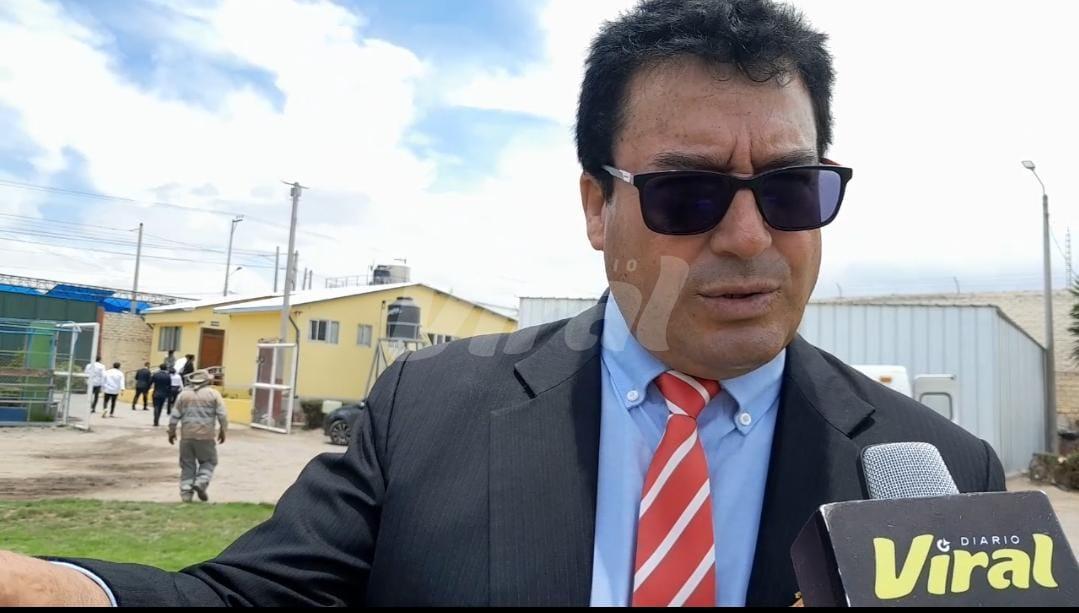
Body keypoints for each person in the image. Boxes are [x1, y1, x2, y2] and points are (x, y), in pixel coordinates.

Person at [0, 0, 1006, 606]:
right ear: (595, 206)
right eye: (686, 193)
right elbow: (250, 595)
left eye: (789, 188)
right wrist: (50, 589)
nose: (747, 236)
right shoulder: (428, 409)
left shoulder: (937, 472)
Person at [167, 370, 228, 503]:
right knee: (209, 461)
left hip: (186, 436)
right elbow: (222, 414)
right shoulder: (213, 394)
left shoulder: (183, 395)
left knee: (187, 464)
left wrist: (171, 432)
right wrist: (223, 430)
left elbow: (174, 416)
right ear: (207, 381)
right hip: (206, 436)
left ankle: (186, 493)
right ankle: (201, 481)